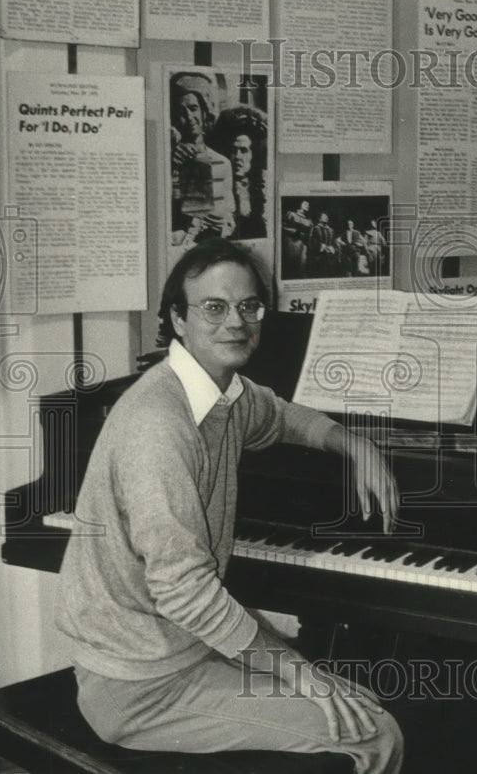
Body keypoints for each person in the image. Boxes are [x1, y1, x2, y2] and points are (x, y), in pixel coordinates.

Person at [56, 239, 403, 774]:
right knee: (374, 731)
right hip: (141, 684)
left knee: (355, 693)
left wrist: (355, 444)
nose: (236, 322)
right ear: (178, 319)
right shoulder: (158, 425)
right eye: (214, 308)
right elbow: (185, 592)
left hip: (182, 646)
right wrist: (298, 673)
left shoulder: (224, 394)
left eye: (248, 306)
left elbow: (281, 416)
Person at [170, 72, 236, 248]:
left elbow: (229, 215)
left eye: (193, 108)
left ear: (204, 111)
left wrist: (222, 225)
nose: (188, 117)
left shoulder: (223, 163)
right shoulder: (168, 160)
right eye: (181, 111)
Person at [212, 105, 268, 240]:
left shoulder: (265, 185)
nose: (237, 156)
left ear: (254, 153)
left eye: (244, 150)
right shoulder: (218, 183)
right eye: (233, 150)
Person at [282, 199, 312, 278]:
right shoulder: (291, 214)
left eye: (308, 205)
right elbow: (282, 227)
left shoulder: (309, 221)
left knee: (301, 267)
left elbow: (310, 234)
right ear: (300, 204)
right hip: (291, 243)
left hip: (303, 245)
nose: (307, 206)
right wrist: (295, 231)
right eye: (305, 204)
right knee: (290, 266)